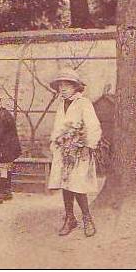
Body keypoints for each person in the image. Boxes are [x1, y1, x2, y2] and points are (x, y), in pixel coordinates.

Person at [47, 68, 102, 237]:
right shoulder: (61, 105)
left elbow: (93, 126)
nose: (63, 89)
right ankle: (70, 218)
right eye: (60, 85)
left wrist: (87, 146)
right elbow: (58, 127)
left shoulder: (83, 103)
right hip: (64, 151)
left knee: (78, 185)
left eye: (67, 85)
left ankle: (87, 218)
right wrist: (54, 144)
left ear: (75, 87)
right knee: (65, 184)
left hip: (79, 151)